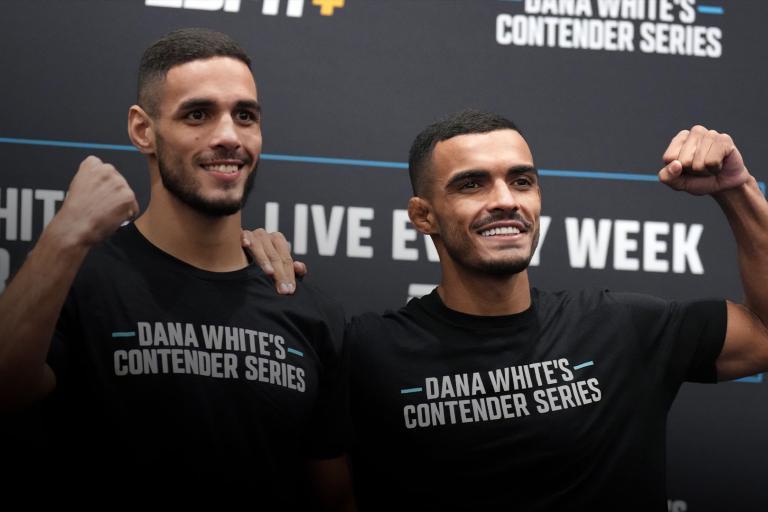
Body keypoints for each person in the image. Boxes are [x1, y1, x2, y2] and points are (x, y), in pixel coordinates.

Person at [245, 110, 768, 510]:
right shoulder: (362, 351)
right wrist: (230, 250)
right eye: (471, 184)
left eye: (522, 181)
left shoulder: (624, 328)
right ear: (423, 216)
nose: (506, 200)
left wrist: (738, 190)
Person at [0, 28, 353, 508]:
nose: (228, 136)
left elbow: (332, 497)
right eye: (198, 114)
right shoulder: (77, 278)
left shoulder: (307, 306)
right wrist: (65, 236)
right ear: (144, 130)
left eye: (244, 116)